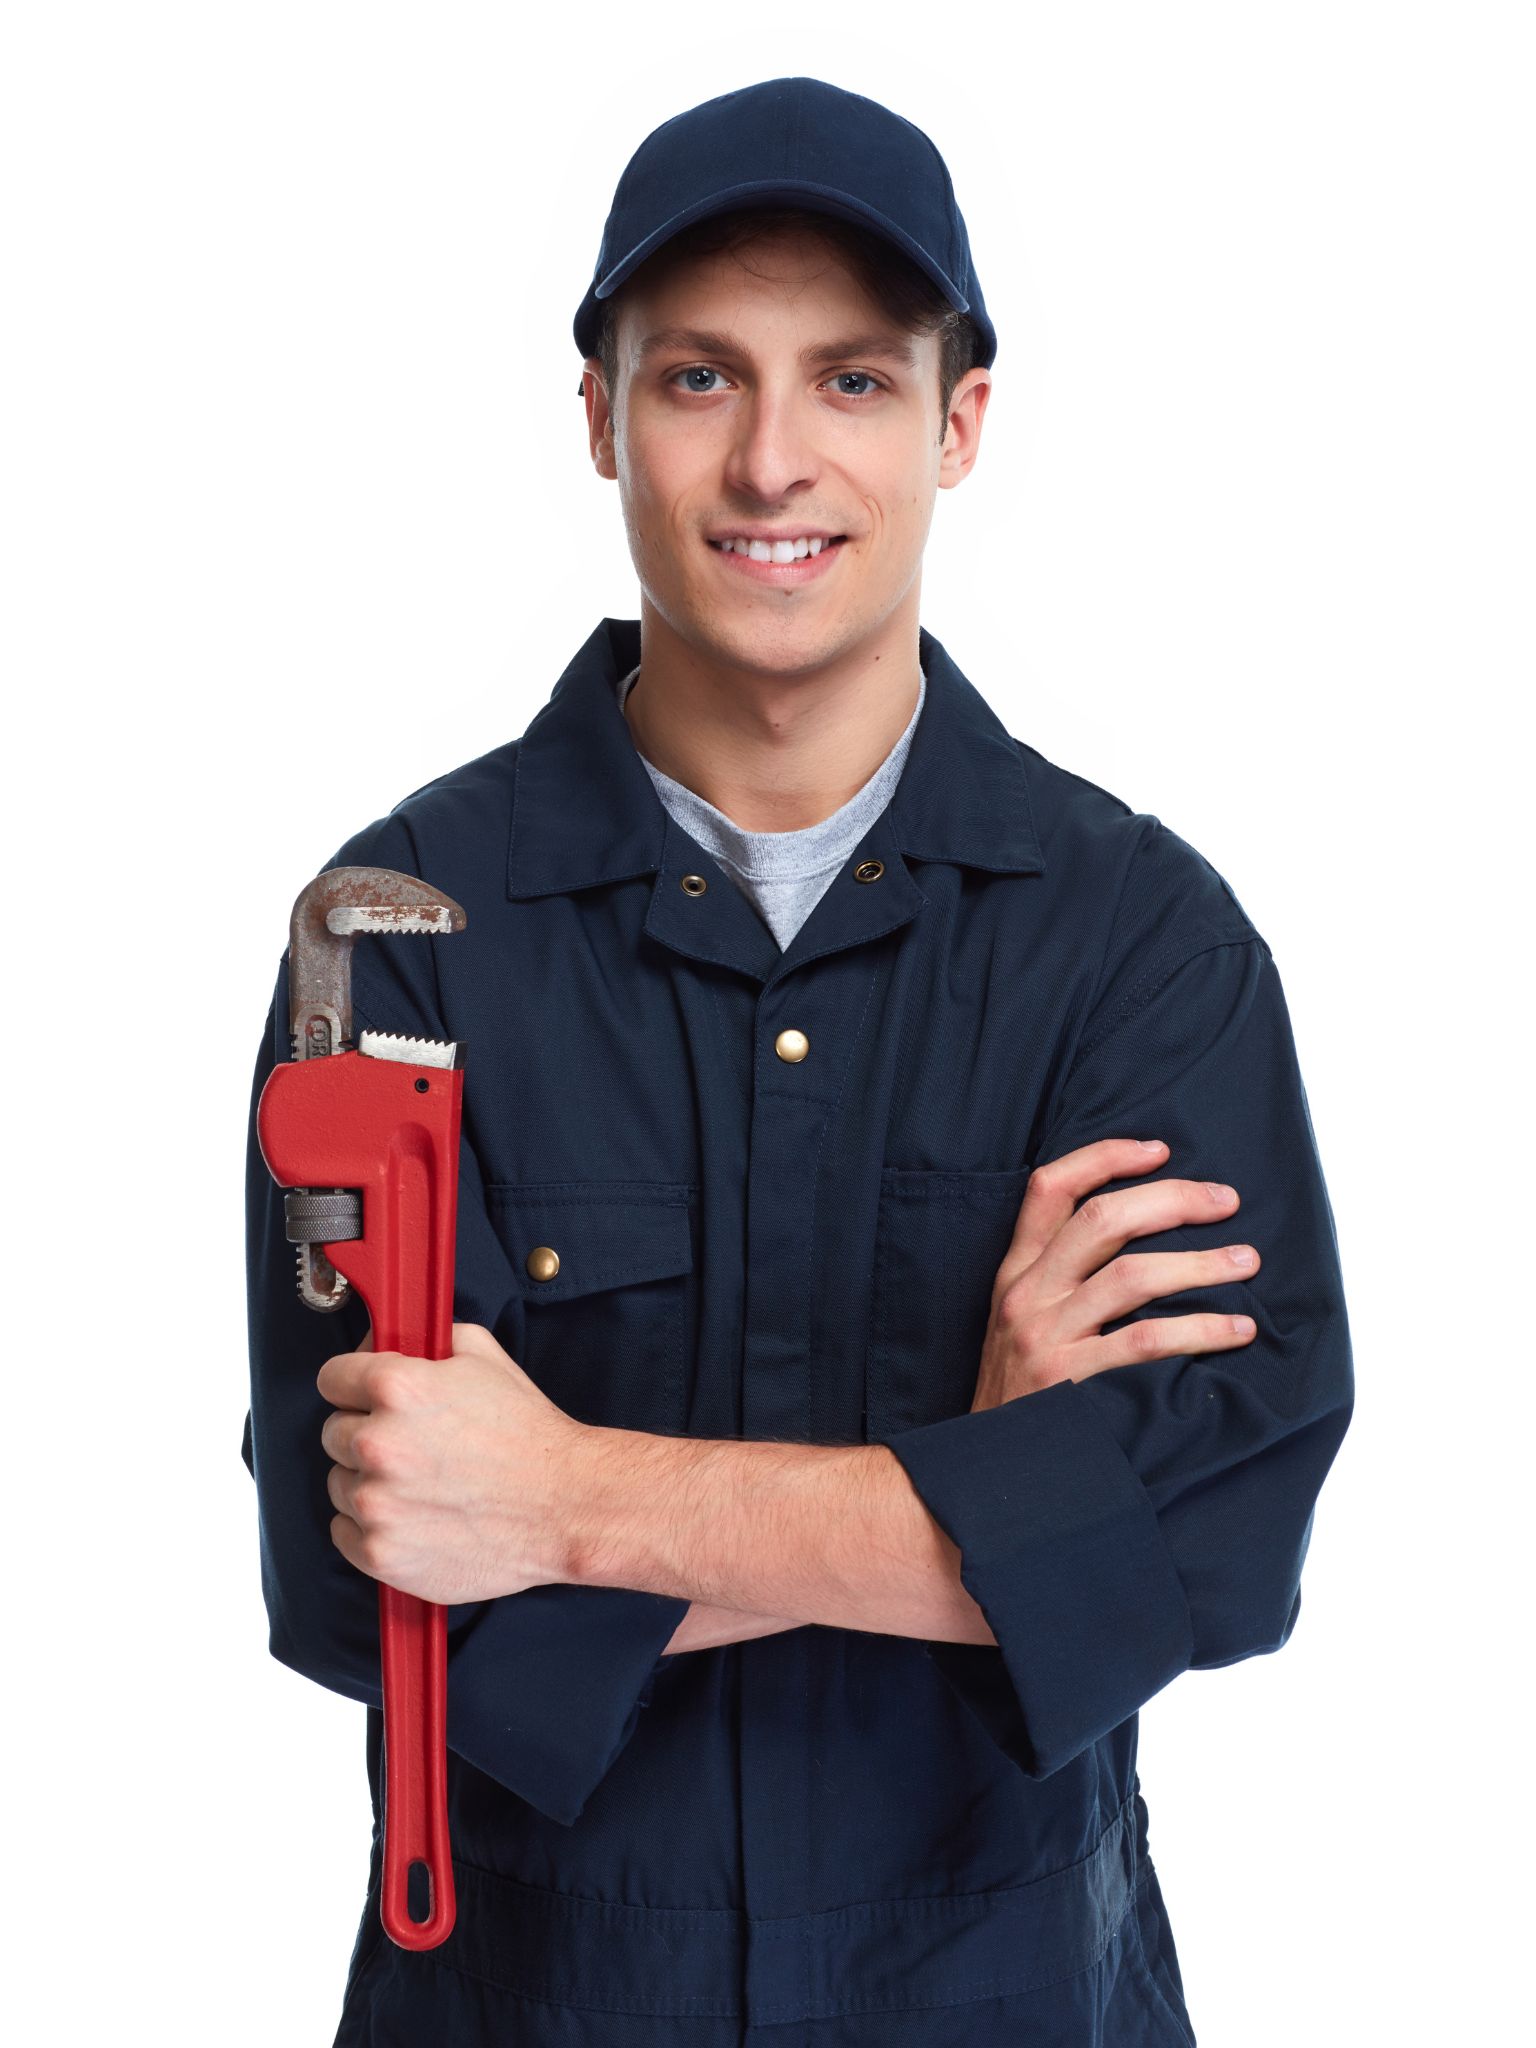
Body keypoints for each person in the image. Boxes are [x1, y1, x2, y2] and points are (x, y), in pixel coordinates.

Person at [243, 75, 1354, 2047]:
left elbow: (1208, 1550)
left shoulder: (1139, 942)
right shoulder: (398, 936)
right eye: (698, 380)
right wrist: (994, 1493)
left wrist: (572, 1499)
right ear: (597, 413)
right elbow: (379, 1606)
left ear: (958, 422)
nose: (774, 462)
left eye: (849, 380)